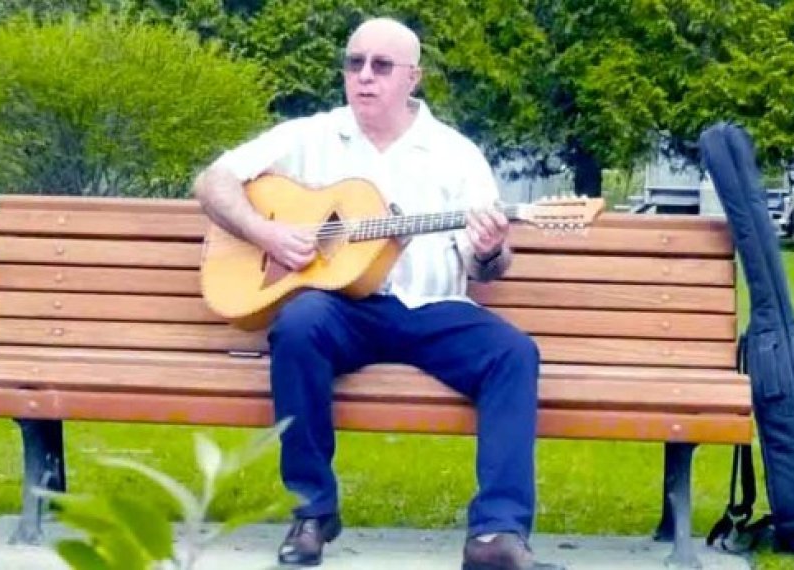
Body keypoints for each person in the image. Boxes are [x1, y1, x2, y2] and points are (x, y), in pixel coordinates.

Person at [193, 17, 545, 570]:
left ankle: (495, 534)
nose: (364, 76)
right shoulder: (312, 136)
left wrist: (489, 248)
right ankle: (313, 511)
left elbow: (488, 268)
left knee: (514, 354)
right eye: (354, 63)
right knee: (297, 326)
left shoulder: (455, 154)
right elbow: (214, 181)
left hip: (432, 311)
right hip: (344, 310)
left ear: (414, 78)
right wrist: (266, 234)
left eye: (381, 66)